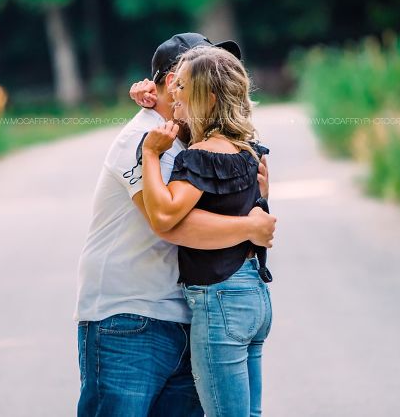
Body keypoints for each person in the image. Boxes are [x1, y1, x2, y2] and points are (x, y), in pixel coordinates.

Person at [74, 33, 276, 417]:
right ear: (174, 82)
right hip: (129, 316)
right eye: (206, 75)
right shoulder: (142, 138)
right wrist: (251, 229)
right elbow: (167, 223)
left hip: (187, 312)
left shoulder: (201, 141)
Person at [140, 45, 273, 417]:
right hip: (254, 296)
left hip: (220, 300)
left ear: (208, 97)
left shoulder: (200, 156)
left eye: (182, 88)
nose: (174, 97)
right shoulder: (248, 150)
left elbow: (165, 214)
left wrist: (151, 155)